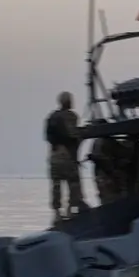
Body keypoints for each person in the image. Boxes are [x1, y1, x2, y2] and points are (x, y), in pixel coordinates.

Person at [44, 91, 87, 219]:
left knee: (56, 184)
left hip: (54, 154)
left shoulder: (52, 117)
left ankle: (57, 213)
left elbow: (47, 136)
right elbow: (73, 136)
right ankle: (70, 209)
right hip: (67, 154)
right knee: (73, 182)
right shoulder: (71, 116)